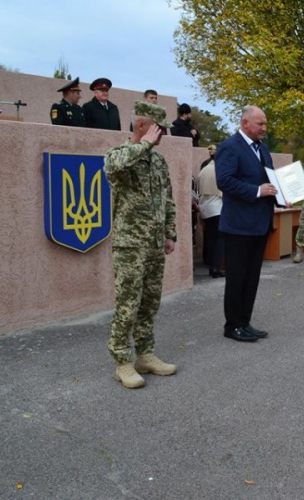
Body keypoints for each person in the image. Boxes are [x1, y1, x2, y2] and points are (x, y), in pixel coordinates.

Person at [103, 101, 177, 389]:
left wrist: (170, 234)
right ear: (144, 126)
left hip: (155, 244)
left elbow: (168, 200)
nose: (163, 136)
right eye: (160, 130)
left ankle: (145, 355)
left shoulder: (158, 161)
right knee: (127, 305)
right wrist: (143, 144)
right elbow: (114, 166)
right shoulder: (121, 154)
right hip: (130, 246)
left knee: (149, 304)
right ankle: (122, 362)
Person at [216, 105, 283, 343]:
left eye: (265, 124)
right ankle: (232, 325)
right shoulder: (229, 147)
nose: (264, 128)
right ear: (245, 124)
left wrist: (281, 195)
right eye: (260, 124)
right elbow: (224, 181)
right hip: (239, 226)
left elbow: (270, 179)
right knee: (237, 278)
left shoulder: (262, 148)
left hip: (260, 223)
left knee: (251, 277)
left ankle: (245, 322)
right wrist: (257, 191)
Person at [198, 151, 225, 278]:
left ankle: (209, 264)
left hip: (205, 208)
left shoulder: (203, 170)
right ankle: (216, 267)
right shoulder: (219, 170)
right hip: (217, 207)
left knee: (209, 238)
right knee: (220, 239)